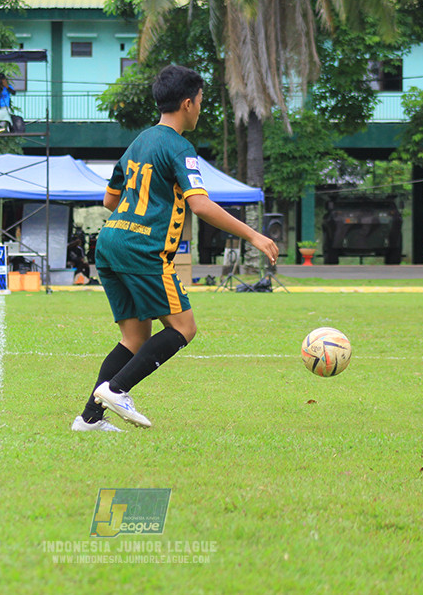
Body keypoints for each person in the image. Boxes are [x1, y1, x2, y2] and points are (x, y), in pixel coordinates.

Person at [71, 65, 278, 432]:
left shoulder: (140, 141)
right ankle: (116, 389)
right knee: (184, 327)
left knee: (135, 338)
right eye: (200, 101)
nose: (200, 108)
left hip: (111, 241)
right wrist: (254, 236)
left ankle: (89, 419)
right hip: (142, 249)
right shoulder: (180, 147)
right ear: (187, 103)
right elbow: (200, 204)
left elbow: (109, 199)